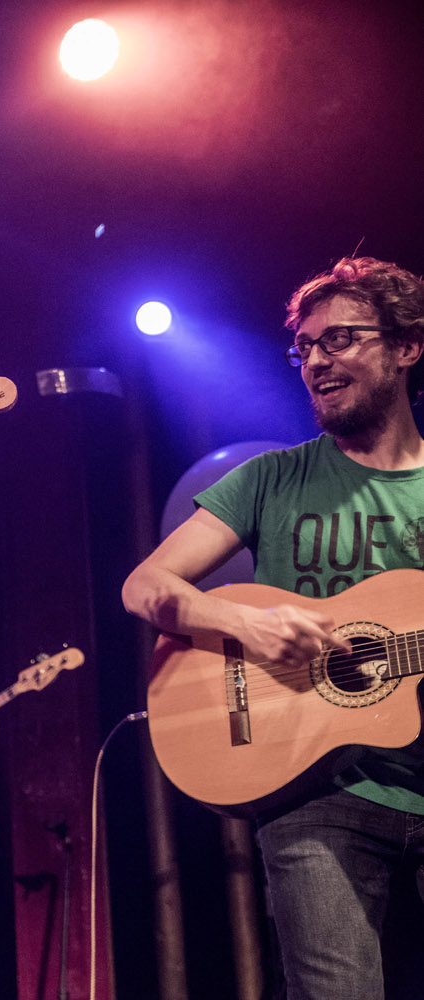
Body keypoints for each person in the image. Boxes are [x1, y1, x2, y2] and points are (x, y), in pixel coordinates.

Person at [122, 256, 424, 999]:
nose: (317, 360)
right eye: (306, 347)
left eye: (340, 339)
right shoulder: (270, 479)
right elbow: (144, 586)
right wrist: (243, 624)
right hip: (311, 791)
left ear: (407, 346)